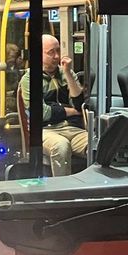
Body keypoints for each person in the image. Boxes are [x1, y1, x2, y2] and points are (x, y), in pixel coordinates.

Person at [19, 34, 87, 176]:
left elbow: (79, 104)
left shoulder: (67, 73)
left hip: (72, 129)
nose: (56, 56)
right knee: (61, 146)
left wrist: (68, 73)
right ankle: (63, 193)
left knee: (97, 144)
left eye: (58, 51)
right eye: (51, 52)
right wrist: (70, 111)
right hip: (45, 131)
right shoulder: (29, 79)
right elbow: (41, 113)